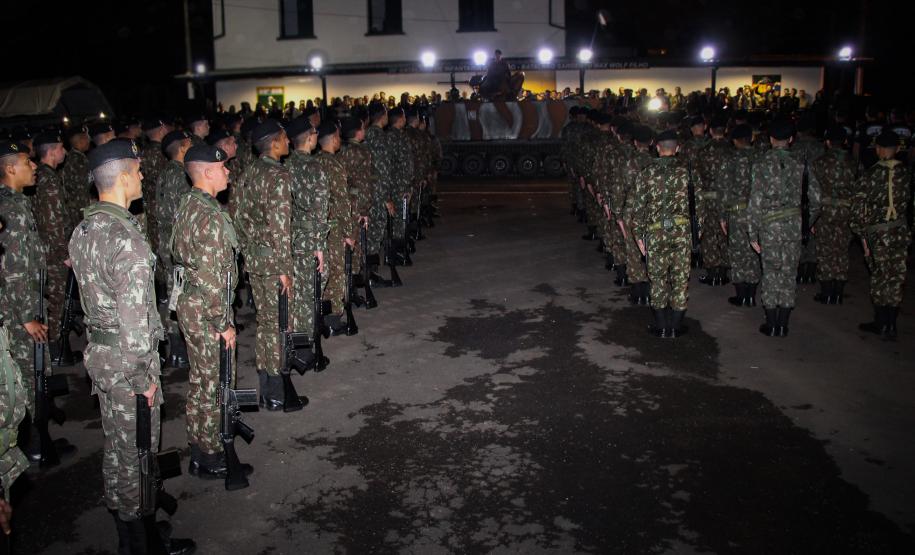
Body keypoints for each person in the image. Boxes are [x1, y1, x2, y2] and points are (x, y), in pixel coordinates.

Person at [68, 140, 195, 554]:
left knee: (118, 449)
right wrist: (144, 380)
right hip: (128, 362)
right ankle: (141, 543)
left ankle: (129, 532)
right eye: (138, 171)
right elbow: (137, 325)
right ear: (123, 177)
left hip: (102, 357)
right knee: (139, 453)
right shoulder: (128, 242)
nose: (143, 176)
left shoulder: (85, 228)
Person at [170, 144, 253, 480]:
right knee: (216, 382)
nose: (228, 172)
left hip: (192, 305)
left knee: (202, 379)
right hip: (208, 309)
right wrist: (223, 324)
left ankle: (199, 448)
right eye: (223, 167)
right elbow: (212, 276)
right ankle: (211, 454)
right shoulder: (210, 216)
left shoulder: (189, 204)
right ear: (207, 171)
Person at [233, 119, 299, 410]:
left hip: (257, 260)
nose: (289, 142)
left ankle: (268, 387)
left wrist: (250, 250)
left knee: (266, 322)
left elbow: (238, 218)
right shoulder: (278, 175)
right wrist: (285, 268)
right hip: (275, 262)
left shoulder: (248, 173)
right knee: (280, 325)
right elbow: (281, 227)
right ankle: (276, 390)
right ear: (273, 142)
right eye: (284, 137)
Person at [747, 119, 820, 337]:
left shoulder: (760, 165)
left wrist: (752, 233)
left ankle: (771, 324)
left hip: (769, 226)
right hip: (793, 226)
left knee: (770, 273)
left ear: (770, 140)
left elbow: (755, 201)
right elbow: (816, 199)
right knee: (789, 273)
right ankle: (783, 324)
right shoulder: (802, 165)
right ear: (791, 139)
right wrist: (806, 222)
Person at [630, 129, 692, 338]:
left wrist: (639, 237)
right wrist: (695, 233)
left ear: (657, 148)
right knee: (680, 279)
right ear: (677, 148)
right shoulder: (687, 173)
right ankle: (675, 327)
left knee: (657, 279)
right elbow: (698, 206)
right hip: (681, 233)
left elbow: (637, 209)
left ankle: (661, 326)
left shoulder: (646, 173)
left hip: (655, 234)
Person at [851, 130, 912, 338]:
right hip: (901, 232)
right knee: (896, 277)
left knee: (879, 277)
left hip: (878, 234)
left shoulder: (871, 174)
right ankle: (891, 323)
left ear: (877, 149)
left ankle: (881, 321)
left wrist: (862, 237)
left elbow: (857, 210)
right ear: (897, 149)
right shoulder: (906, 174)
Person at [284, 118, 326, 333]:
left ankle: (291, 333)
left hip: (289, 236)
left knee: (293, 289)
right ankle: (305, 342)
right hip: (309, 238)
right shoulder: (314, 167)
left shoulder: (285, 166)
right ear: (309, 138)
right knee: (310, 292)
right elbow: (320, 208)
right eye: (315, 132)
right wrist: (320, 246)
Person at [31, 132, 72, 347]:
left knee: (50, 299)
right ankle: (55, 349)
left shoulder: (39, 175)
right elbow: (52, 221)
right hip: (53, 252)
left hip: (44, 248)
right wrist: (64, 254)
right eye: (61, 147)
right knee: (56, 302)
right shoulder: (49, 180)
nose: (64, 151)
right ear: (52, 150)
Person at [313, 122, 355, 333]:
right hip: (334, 227)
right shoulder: (334, 164)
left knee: (322, 272)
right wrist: (349, 232)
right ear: (331, 138)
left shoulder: (314, 162)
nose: (340, 140)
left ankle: (320, 313)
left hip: (318, 227)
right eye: (338, 136)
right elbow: (341, 200)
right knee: (337, 272)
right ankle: (333, 317)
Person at [157, 130, 193, 368]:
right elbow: (181, 215)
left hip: (165, 242)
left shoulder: (164, 173)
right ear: (181, 148)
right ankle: (179, 350)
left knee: (173, 292)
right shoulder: (180, 175)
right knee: (179, 294)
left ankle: (176, 349)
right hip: (176, 243)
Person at [809, 126, 856, 304]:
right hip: (846, 211)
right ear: (844, 141)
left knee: (825, 250)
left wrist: (811, 219)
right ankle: (838, 292)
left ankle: (826, 292)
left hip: (825, 211)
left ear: (827, 142)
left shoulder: (820, 163)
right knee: (842, 250)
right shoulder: (853, 162)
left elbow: (814, 193)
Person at [717, 124, 761, 306]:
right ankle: (751, 295)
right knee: (754, 252)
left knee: (737, 253)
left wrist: (721, 215)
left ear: (734, 141)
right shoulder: (761, 158)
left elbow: (723, 189)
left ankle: (741, 295)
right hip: (757, 212)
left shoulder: (730, 160)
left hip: (736, 213)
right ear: (751, 138)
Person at [60, 125, 92, 229]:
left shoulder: (75, 157)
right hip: (81, 212)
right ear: (81, 140)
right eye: (87, 137)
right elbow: (81, 192)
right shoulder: (78, 161)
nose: (89, 140)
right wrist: (87, 215)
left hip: (76, 210)